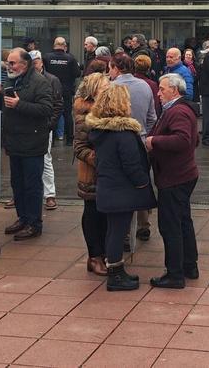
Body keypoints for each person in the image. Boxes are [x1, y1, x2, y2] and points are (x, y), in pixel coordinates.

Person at [87, 86, 156, 291]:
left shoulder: (100, 131)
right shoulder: (124, 133)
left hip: (108, 187)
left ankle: (115, 269)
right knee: (118, 231)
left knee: (112, 230)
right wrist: (142, 182)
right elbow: (131, 164)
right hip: (122, 190)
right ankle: (115, 275)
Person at [0, 48, 59, 240]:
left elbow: (46, 109)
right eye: (8, 62)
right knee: (17, 183)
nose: (8, 66)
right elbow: (5, 106)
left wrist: (20, 105)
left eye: (12, 63)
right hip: (15, 141)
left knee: (32, 185)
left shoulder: (40, 82)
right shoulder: (13, 80)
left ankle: (34, 223)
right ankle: (23, 217)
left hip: (33, 142)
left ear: (24, 65)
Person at [146, 73, 200, 288]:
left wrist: (154, 141)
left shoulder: (178, 111)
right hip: (181, 174)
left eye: (162, 89)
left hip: (175, 177)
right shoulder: (178, 109)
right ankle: (189, 265)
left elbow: (184, 139)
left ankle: (175, 274)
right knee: (183, 221)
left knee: (170, 225)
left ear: (174, 90)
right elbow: (193, 139)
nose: (158, 93)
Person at [109, 54, 157, 242]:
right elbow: (152, 117)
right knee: (142, 182)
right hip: (141, 141)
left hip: (117, 142)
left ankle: (125, 232)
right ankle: (144, 225)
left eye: (110, 68)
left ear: (116, 68)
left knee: (122, 186)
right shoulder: (145, 86)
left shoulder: (111, 88)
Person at [73, 73, 111, 276]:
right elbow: (79, 147)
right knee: (93, 214)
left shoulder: (108, 108)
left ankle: (103, 254)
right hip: (92, 174)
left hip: (107, 173)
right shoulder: (84, 111)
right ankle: (94, 256)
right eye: (105, 86)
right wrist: (101, 158)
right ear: (95, 89)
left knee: (105, 215)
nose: (109, 88)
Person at [28, 50, 62, 211]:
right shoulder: (23, 79)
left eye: (36, 61)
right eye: (31, 61)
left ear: (41, 62)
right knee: (23, 160)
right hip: (27, 127)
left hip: (43, 126)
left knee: (45, 158)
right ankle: (21, 193)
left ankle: (50, 195)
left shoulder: (52, 79)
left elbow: (57, 104)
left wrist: (50, 124)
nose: (34, 64)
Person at [44, 37, 81, 146]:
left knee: (52, 113)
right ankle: (69, 140)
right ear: (65, 46)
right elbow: (77, 73)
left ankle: (53, 140)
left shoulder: (47, 57)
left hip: (50, 89)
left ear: (54, 45)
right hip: (66, 90)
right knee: (67, 114)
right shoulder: (70, 58)